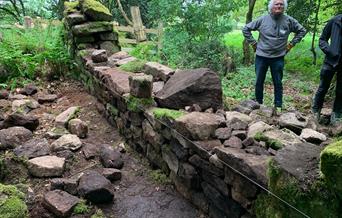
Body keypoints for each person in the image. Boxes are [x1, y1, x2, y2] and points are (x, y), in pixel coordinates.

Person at [242, 0, 306, 113]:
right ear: (271, 7)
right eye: (277, 4)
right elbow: (246, 29)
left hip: (278, 57)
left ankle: (278, 107)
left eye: (281, 4)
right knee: (258, 81)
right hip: (262, 56)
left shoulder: (289, 20)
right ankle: (258, 104)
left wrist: (291, 44)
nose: (279, 6)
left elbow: (302, 30)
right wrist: (253, 43)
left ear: (284, 7)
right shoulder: (263, 19)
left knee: (278, 82)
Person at [312, 14, 342, 125]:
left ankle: (337, 115)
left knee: (340, 91)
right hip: (330, 61)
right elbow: (322, 39)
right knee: (323, 87)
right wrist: (330, 51)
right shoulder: (335, 21)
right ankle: (315, 111)